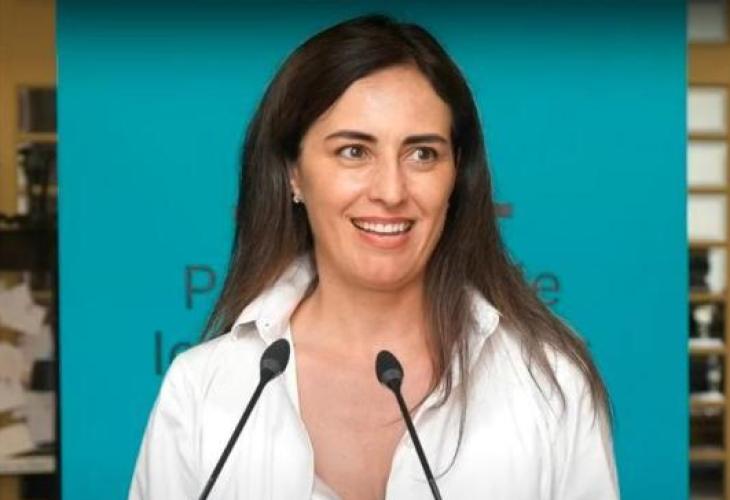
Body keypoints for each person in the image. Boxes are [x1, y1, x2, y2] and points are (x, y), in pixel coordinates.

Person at [129, 14, 619, 500]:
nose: (391, 191)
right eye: (354, 152)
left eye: (422, 154)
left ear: (456, 174)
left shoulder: (548, 382)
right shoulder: (202, 392)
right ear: (294, 173)